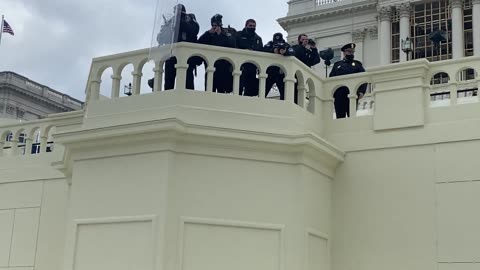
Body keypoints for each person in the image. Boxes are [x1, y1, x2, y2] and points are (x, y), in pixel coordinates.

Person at [149, 4, 200, 90]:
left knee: (188, 83)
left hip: (187, 57)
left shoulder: (189, 19)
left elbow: (194, 30)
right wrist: (167, 30)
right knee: (169, 82)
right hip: (171, 55)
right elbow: (160, 37)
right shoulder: (171, 21)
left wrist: (179, 21)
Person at [329, 43, 367, 119]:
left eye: (352, 52)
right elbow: (331, 79)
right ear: (344, 52)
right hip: (340, 94)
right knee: (340, 117)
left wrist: (362, 91)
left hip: (352, 93)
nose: (351, 53)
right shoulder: (337, 65)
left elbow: (364, 78)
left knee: (352, 116)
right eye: (349, 51)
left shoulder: (357, 65)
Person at [198, 14, 234, 93]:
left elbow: (231, 45)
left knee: (222, 91)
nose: (216, 27)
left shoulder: (226, 34)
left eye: (217, 25)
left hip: (223, 68)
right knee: (209, 90)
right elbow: (199, 43)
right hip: (210, 66)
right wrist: (208, 33)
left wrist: (220, 35)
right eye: (214, 25)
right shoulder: (208, 35)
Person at [235, 19, 263, 96]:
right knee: (238, 87)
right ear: (246, 25)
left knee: (250, 89)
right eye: (250, 26)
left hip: (252, 67)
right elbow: (234, 47)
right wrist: (245, 51)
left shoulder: (258, 39)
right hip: (240, 66)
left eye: (254, 26)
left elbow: (261, 52)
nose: (252, 27)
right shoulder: (238, 35)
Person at [263, 33, 294, 100]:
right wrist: (273, 51)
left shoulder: (286, 45)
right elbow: (263, 50)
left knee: (284, 92)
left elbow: (292, 53)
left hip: (281, 72)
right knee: (263, 90)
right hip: (270, 70)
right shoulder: (270, 44)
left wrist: (285, 52)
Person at [291, 34, 320, 103]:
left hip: (304, 74)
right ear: (299, 41)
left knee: (302, 89)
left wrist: (314, 49)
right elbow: (297, 54)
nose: (305, 41)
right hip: (295, 73)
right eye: (303, 39)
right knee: (294, 90)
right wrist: (302, 46)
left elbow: (316, 60)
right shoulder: (295, 48)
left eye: (306, 40)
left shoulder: (307, 51)